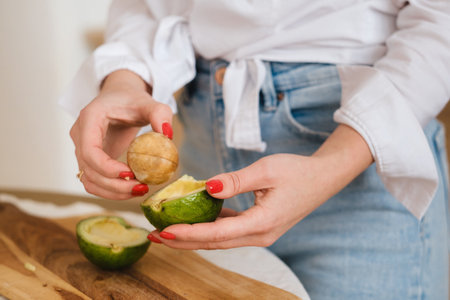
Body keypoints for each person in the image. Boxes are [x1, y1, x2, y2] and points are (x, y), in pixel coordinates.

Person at [60, 1, 450, 299]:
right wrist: (125, 82)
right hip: (204, 138)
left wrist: (332, 165)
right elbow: (145, 7)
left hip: (359, 161)